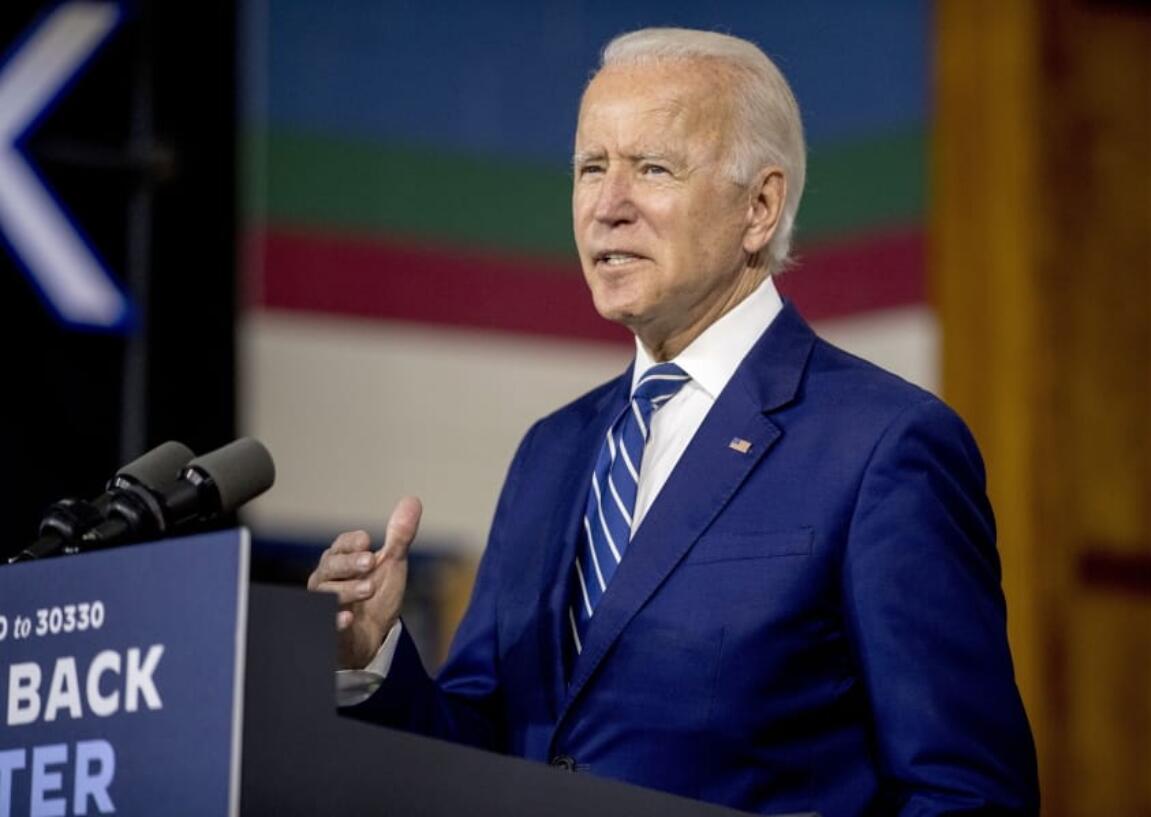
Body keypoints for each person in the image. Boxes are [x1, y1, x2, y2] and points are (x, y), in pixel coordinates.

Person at [307, 27, 1039, 817]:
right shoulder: (551, 451)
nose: (607, 207)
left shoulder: (884, 447)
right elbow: (482, 750)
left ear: (759, 207)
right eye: (592, 168)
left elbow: (965, 793)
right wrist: (371, 655)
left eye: (652, 168)